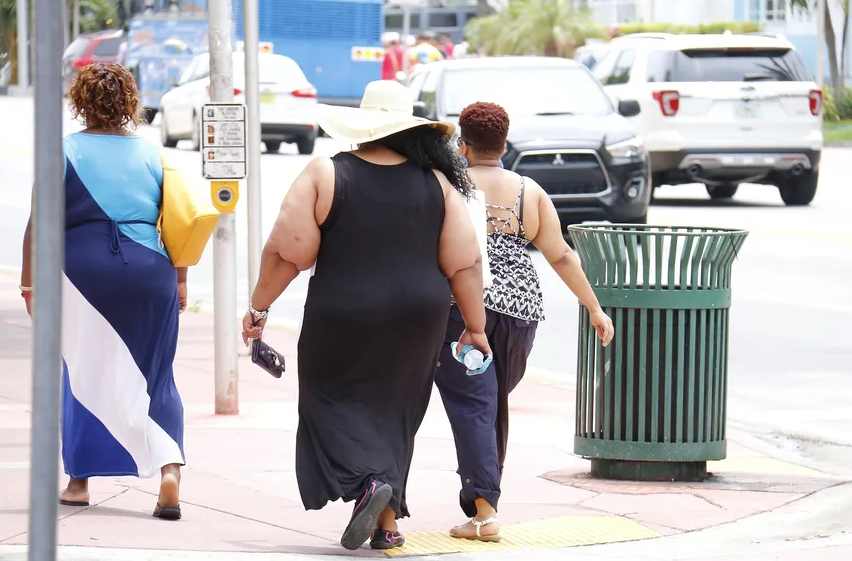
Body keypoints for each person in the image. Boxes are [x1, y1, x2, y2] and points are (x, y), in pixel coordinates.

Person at [240, 80, 491, 552]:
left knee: (326, 399)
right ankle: (387, 522)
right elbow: (465, 263)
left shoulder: (327, 174)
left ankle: (368, 484)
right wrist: (475, 328)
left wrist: (259, 307)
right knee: (396, 409)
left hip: (344, 311)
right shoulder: (438, 183)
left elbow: (286, 253)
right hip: (420, 316)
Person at [435, 102, 614, 542]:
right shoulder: (527, 191)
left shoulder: (446, 185)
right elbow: (560, 254)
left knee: (475, 405)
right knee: (492, 402)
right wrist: (593, 307)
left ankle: (484, 511)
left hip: (462, 310)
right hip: (519, 315)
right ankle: (483, 505)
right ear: (504, 141)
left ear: (464, 142)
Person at [20, 64, 187, 520]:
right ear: (130, 102)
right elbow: (178, 222)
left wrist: (29, 284)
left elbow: (39, 223)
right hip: (151, 269)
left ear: (81, 102)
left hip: (82, 274)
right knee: (157, 374)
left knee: (83, 372)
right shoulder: (155, 155)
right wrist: (181, 280)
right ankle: (169, 468)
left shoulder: (63, 150)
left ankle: (78, 483)